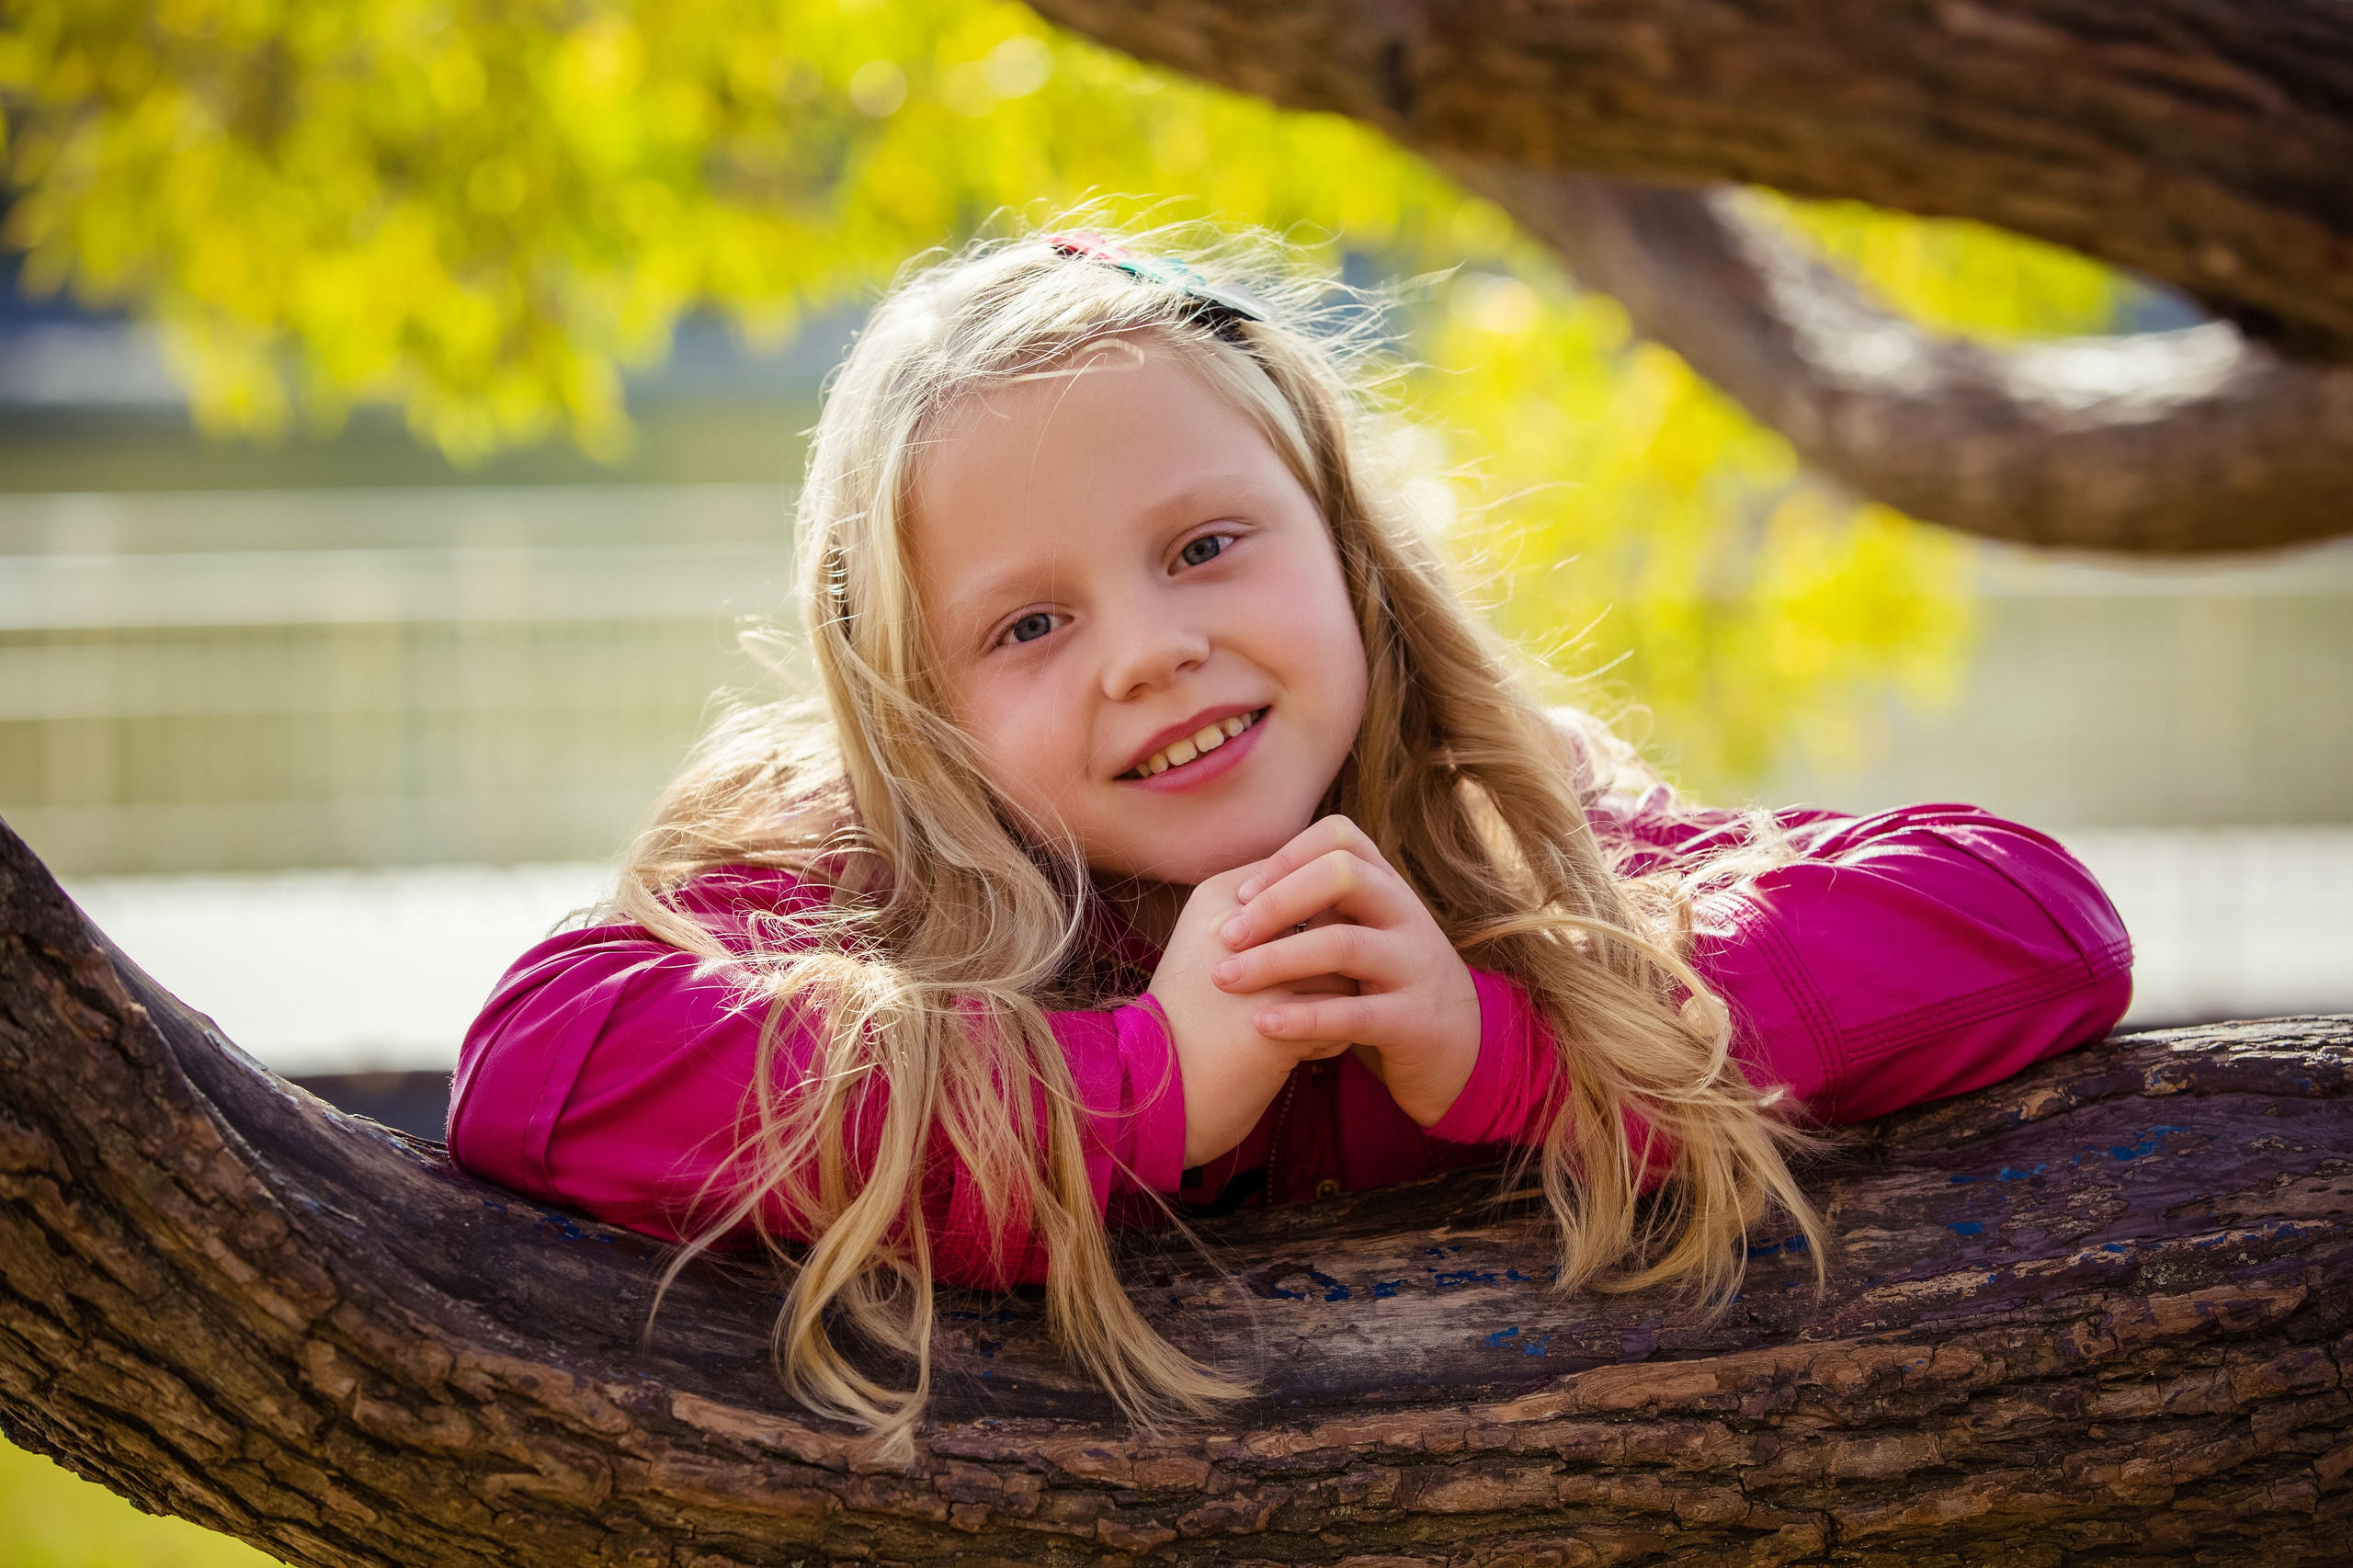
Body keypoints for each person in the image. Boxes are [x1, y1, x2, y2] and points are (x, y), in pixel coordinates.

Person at [447, 225, 2133, 1449]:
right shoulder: (871, 868)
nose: (1147, 649)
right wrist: (1146, 1076)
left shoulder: (1494, 818)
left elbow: (2033, 922)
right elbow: (542, 1066)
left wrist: (1513, 1037)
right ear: (920, 714)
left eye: (1204, 546)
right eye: (1026, 626)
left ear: (1346, 553)